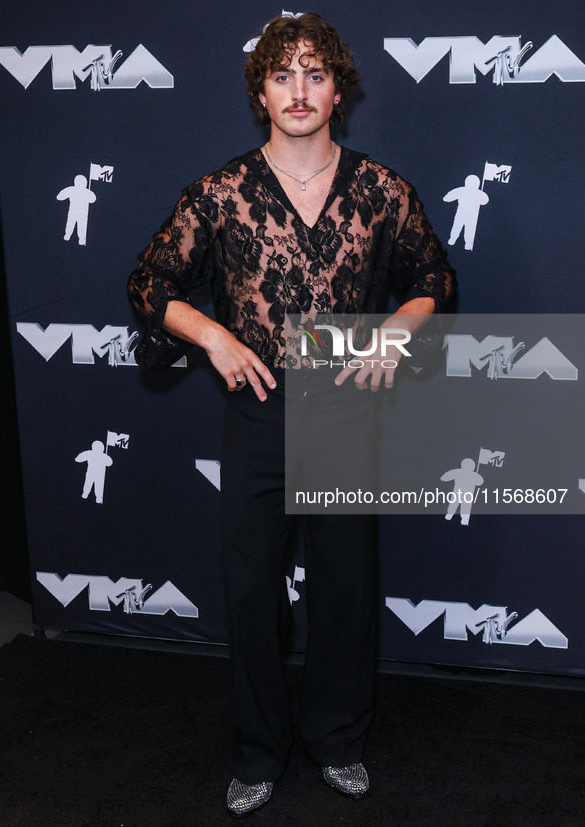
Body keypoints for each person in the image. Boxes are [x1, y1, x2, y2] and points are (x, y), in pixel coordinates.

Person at [127, 12, 456, 817]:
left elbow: (434, 281)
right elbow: (148, 283)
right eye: (282, 75)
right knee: (250, 594)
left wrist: (390, 334)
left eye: (314, 73)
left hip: (344, 413)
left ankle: (338, 739)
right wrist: (211, 336)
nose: (299, 90)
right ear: (260, 92)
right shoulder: (220, 192)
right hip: (259, 411)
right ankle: (256, 751)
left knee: (345, 587)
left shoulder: (381, 190)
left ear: (337, 88)